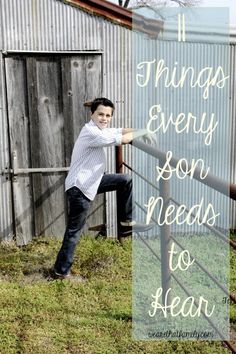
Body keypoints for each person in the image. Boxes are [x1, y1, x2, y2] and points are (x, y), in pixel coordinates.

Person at [53, 97, 154, 279]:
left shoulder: (101, 129)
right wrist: (143, 132)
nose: (104, 118)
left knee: (125, 180)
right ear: (92, 114)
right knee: (74, 231)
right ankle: (60, 272)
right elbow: (122, 139)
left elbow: (121, 130)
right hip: (80, 187)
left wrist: (139, 130)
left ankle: (126, 222)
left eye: (108, 115)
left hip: (92, 181)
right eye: (100, 114)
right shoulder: (91, 132)